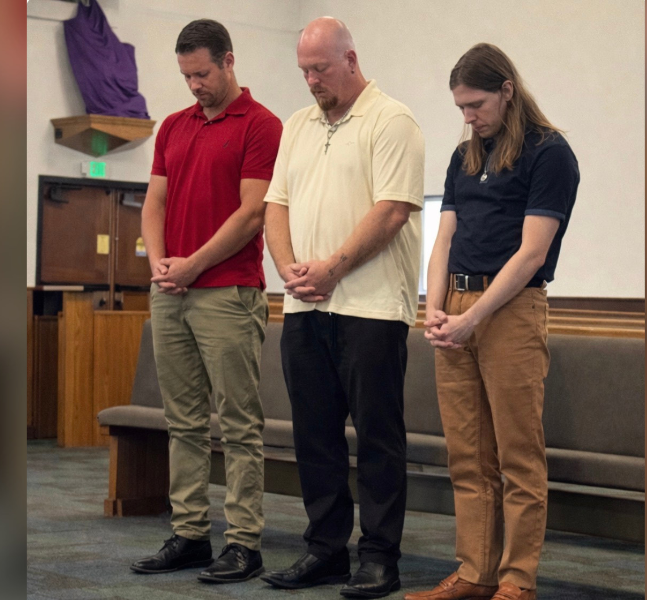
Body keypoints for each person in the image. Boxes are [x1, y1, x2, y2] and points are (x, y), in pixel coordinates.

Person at [258, 17, 425, 600]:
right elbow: (274, 205)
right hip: (304, 307)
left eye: (320, 69)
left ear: (350, 60)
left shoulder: (391, 119)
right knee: (315, 435)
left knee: (378, 438)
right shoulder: (298, 126)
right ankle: (325, 551)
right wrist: (288, 267)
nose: (310, 81)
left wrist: (331, 267)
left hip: (372, 308)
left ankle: (380, 559)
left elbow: (392, 211)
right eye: (304, 70)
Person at [406, 43, 580, 600]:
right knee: (467, 455)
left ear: (507, 90)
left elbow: (531, 254)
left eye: (477, 104)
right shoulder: (465, 157)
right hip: (455, 309)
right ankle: (476, 573)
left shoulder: (550, 153)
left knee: (517, 456)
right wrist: (435, 307)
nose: (469, 117)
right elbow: (445, 239)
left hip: (511, 312)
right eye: (460, 107)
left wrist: (472, 317)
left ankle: (516, 581)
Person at [129, 19, 282, 584]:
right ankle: (190, 533)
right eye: (186, 75)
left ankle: (244, 543)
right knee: (184, 421)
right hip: (170, 291)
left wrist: (194, 264)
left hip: (228, 291)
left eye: (202, 73)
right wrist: (159, 263)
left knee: (239, 424)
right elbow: (153, 204)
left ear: (228, 60)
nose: (194, 84)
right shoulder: (173, 126)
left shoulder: (262, 126)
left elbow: (252, 213)